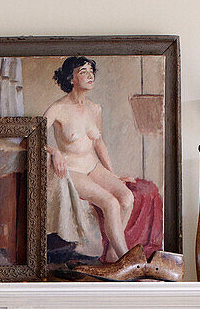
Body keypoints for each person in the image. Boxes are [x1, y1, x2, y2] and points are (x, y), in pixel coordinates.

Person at [44, 56, 137, 263]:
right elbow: (31, 138)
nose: (90, 75)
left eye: (91, 71)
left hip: (93, 166)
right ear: (71, 78)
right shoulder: (57, 108)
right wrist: (54, 152)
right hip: (73, 170)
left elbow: (98, 144)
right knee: (111, 203)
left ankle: (113, 252)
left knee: (127, 198)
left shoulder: (95, 109)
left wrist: (113, 175)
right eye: (83, 71)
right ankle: (127, 261)